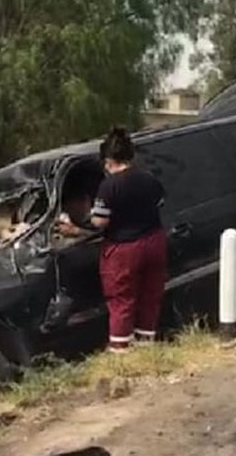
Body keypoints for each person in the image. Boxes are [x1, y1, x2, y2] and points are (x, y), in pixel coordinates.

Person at [63, 127, 166, 353]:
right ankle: (146, 346)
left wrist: (79, 225)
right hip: (154, 242)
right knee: (149, 296)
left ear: (108, 161)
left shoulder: (109, 186)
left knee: (122, 301)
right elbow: (159, 203)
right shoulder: (149, 179)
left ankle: (120, 350)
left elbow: (100, 222)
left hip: (124, 249)